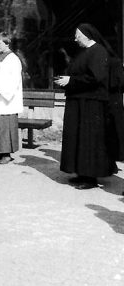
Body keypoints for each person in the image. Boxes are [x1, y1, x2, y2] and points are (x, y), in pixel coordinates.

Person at [54, 24, 117, 189]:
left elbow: (95, 78)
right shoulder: (84, 52)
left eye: (78, 36)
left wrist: (71, 81)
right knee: (78, 139)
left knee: (89, 140)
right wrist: (67, 80)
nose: (75, 39)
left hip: (91, 104)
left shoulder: (99, 51)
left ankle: (90, 178)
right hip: (79, 102)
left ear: (88, 35)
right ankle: (81, 173)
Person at [0, 32, 23, 164]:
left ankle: (7, 154)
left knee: (6, 126)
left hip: (7, 100)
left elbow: (14, 81)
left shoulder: (14, 60)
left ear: (7, 43)